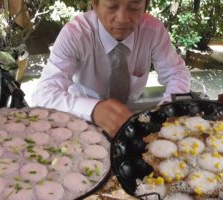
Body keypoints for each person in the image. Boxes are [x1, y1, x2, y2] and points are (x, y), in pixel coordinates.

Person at [32, 0, 191, 137]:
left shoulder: (153, 30)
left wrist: (165, 112)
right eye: (112, 6)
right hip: (79, 116)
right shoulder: (76, 34)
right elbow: (43, 94)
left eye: (134, 7)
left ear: (145, 6)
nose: (122, 19)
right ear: (95, 4)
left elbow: (176, 73)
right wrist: (93, 109)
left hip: (128, 116)